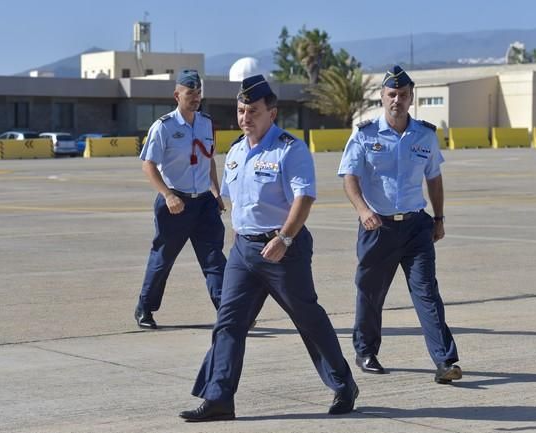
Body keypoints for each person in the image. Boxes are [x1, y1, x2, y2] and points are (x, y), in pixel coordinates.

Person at [179, 75, 358, 422]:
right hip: (245, 252)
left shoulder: (290, 149)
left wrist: (285, 238)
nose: (246, 117)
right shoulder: (235, 152)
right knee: (228, 323)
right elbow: (232, 201)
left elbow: (304, 197)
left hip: (283, 250)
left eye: (253, 111)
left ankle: (343, 385)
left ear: (272, 114)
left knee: (308, 319)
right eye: (242, 110)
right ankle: (219, 398)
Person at [338, 65, 462, 384]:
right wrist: (362, 210)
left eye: (403, 95)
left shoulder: (425, 135)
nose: (397, 100)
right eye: (391, 94)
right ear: (382, 97)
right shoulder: (364, 134)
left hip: (416, 227)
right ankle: (366, 351)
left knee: (427, 294)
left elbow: (434, 178)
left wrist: (439, 218)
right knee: (370, 293)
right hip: (377, 227)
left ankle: (446, 361)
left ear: (411, 98)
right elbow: (349, 178)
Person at [134, 69, 227, 329]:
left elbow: (209, 162)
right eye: (190, 93)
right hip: (175, 204)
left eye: (198, 93)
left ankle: (228, 311)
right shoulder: (163, 127)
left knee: (214, 260)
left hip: (205, 203)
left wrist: (216, 192)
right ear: (177, 95)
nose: (195, 97)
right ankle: (145, 307)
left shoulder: (207, 123)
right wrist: (167, 195)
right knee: (163, 259)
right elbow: (148, 165)